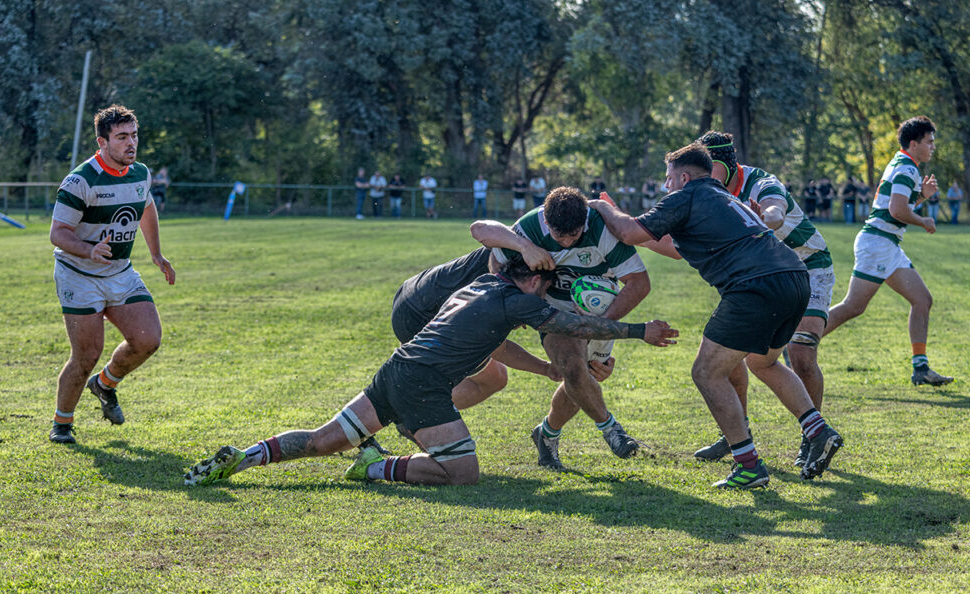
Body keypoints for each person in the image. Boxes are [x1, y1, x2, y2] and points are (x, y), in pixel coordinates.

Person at [184, 258, 677, 487]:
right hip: (422, 386)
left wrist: (550, 370)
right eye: (545, 284)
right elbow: (571, 322)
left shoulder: (484, 285)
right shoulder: (516, 299)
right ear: (528, 278)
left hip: (397, 371)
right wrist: (637, 330)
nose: (546, 293)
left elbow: (495, 345)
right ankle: (374, 466)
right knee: (462, 473)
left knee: (321, 439)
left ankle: (244, 458)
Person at [590, 142, 843, 487]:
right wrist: (623, 220)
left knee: (706, 372)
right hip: (794, 277)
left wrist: (603, 209)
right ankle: (818, 430)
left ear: (683, 176)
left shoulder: (686, 196)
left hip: (755, 286)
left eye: (668, 179)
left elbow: (631, 230)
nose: (665, 187)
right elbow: (664, 244)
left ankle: (749, 465)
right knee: (763, 362)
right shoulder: (724, 199)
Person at [472, 187, 654, 469]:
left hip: (600, 312)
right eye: (560, 236)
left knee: (585, 378)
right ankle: (611, 429)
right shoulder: (530, 229)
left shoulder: (601, 230)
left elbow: (639, 284)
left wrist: (599, 325)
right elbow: (497, 263)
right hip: (552, 312)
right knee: (572, 366)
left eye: (575, 235)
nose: (568, 243)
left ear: (585, 222)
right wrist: (518, 303)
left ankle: (546, 433)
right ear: (547, 221)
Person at [693, 131, 837, 467]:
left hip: (808, 265)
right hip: (761, 276)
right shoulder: (706, 190)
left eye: (708, 168)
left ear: (727, 165)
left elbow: (775, 211)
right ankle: (735, 433)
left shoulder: (758, 181)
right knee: (730, 353)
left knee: (800, 352)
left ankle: (812, 439)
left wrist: (761, 218)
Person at [48, 104, 176, 444]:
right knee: (87, 354)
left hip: (119, 272)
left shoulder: (140, 173)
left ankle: (104, 385)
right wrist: (88, 250)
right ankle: (62, 423)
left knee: (148, 339)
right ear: (102, 142)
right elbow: (58, 233)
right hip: (79, 274)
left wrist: (156, 254)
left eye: (134, 135)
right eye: (121, 137)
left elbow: (146, 207)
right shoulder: (80, 181)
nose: (130, 143)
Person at [824, 116, 953, 387]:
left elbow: (895, 207)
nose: (933, 147)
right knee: (853, 307)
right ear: (914, 143)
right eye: (929, 142)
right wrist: (924, 220)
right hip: (878, 244)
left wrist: (922, 197)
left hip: (884, 244)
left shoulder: (904, 163)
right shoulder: (907, 169)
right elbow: (897, 211)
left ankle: (921, 368)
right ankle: (798, 341)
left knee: (922, 300)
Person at [392, 245, 564, 418]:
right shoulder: (501, 297)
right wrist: (546, 369)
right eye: (543, 293)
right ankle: (406, 413)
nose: (542, 300)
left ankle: (397, 405)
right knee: (492, 380)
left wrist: (519, 243)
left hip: (413, 290)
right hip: (420, 315)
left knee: (406, 373)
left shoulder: (510, 246)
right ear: (534, 281)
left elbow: (482, 229)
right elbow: (499, 350)